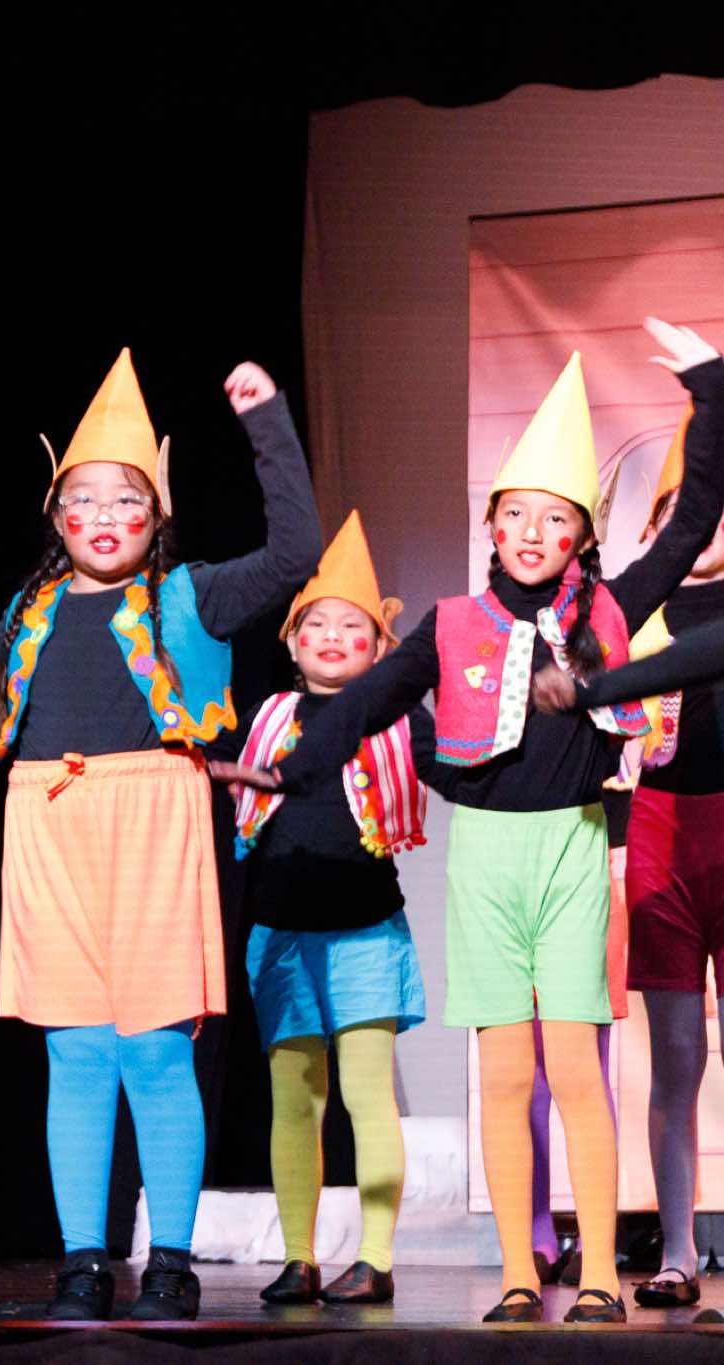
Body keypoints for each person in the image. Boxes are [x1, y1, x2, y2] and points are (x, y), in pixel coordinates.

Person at [212, 319, 723, 1323]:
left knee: (573, 1066)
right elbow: (364, 703)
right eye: (514, 514)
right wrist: (291, 769)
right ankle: (518, 1274)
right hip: (484, 857)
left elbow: (691, 515)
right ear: (490, 524)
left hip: (570, 846)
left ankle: (596, 1275)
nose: (531, 533)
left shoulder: (611, 610)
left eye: (554, 519)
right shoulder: (451, 625)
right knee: (501, 1072)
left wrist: (709, 390)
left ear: (580, 536)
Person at [0, 348, 321, 1320]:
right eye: (81, 499)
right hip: (48, 825)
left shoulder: (189, 595)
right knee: (78, 1055)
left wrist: (265, 424)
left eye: (125, 499)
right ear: (54, 517)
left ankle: (168, 1260)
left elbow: (295, 550)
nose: (101, 515)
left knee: (155, 1052)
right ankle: (83, 1261)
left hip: (152, 822)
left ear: (156, 516)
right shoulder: (29, 612)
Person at [533, 404, 724, 1309]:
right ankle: (678, 1250)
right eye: (684, 508)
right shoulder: (632, 613)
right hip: (660, 833)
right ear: (658, 528)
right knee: (676, 1059)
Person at [231, 510, 432, 1308]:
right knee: (294, 1100)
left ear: (381, 647)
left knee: (365, 1094)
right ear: (291, 640)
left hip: (363, 931)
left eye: (353, 626)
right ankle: (299, 1256)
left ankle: (376, 1256)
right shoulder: (268, 720)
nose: (333, 636)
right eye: (317, 622)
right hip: (281, 933)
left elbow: (456, 764)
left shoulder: (398, 720)